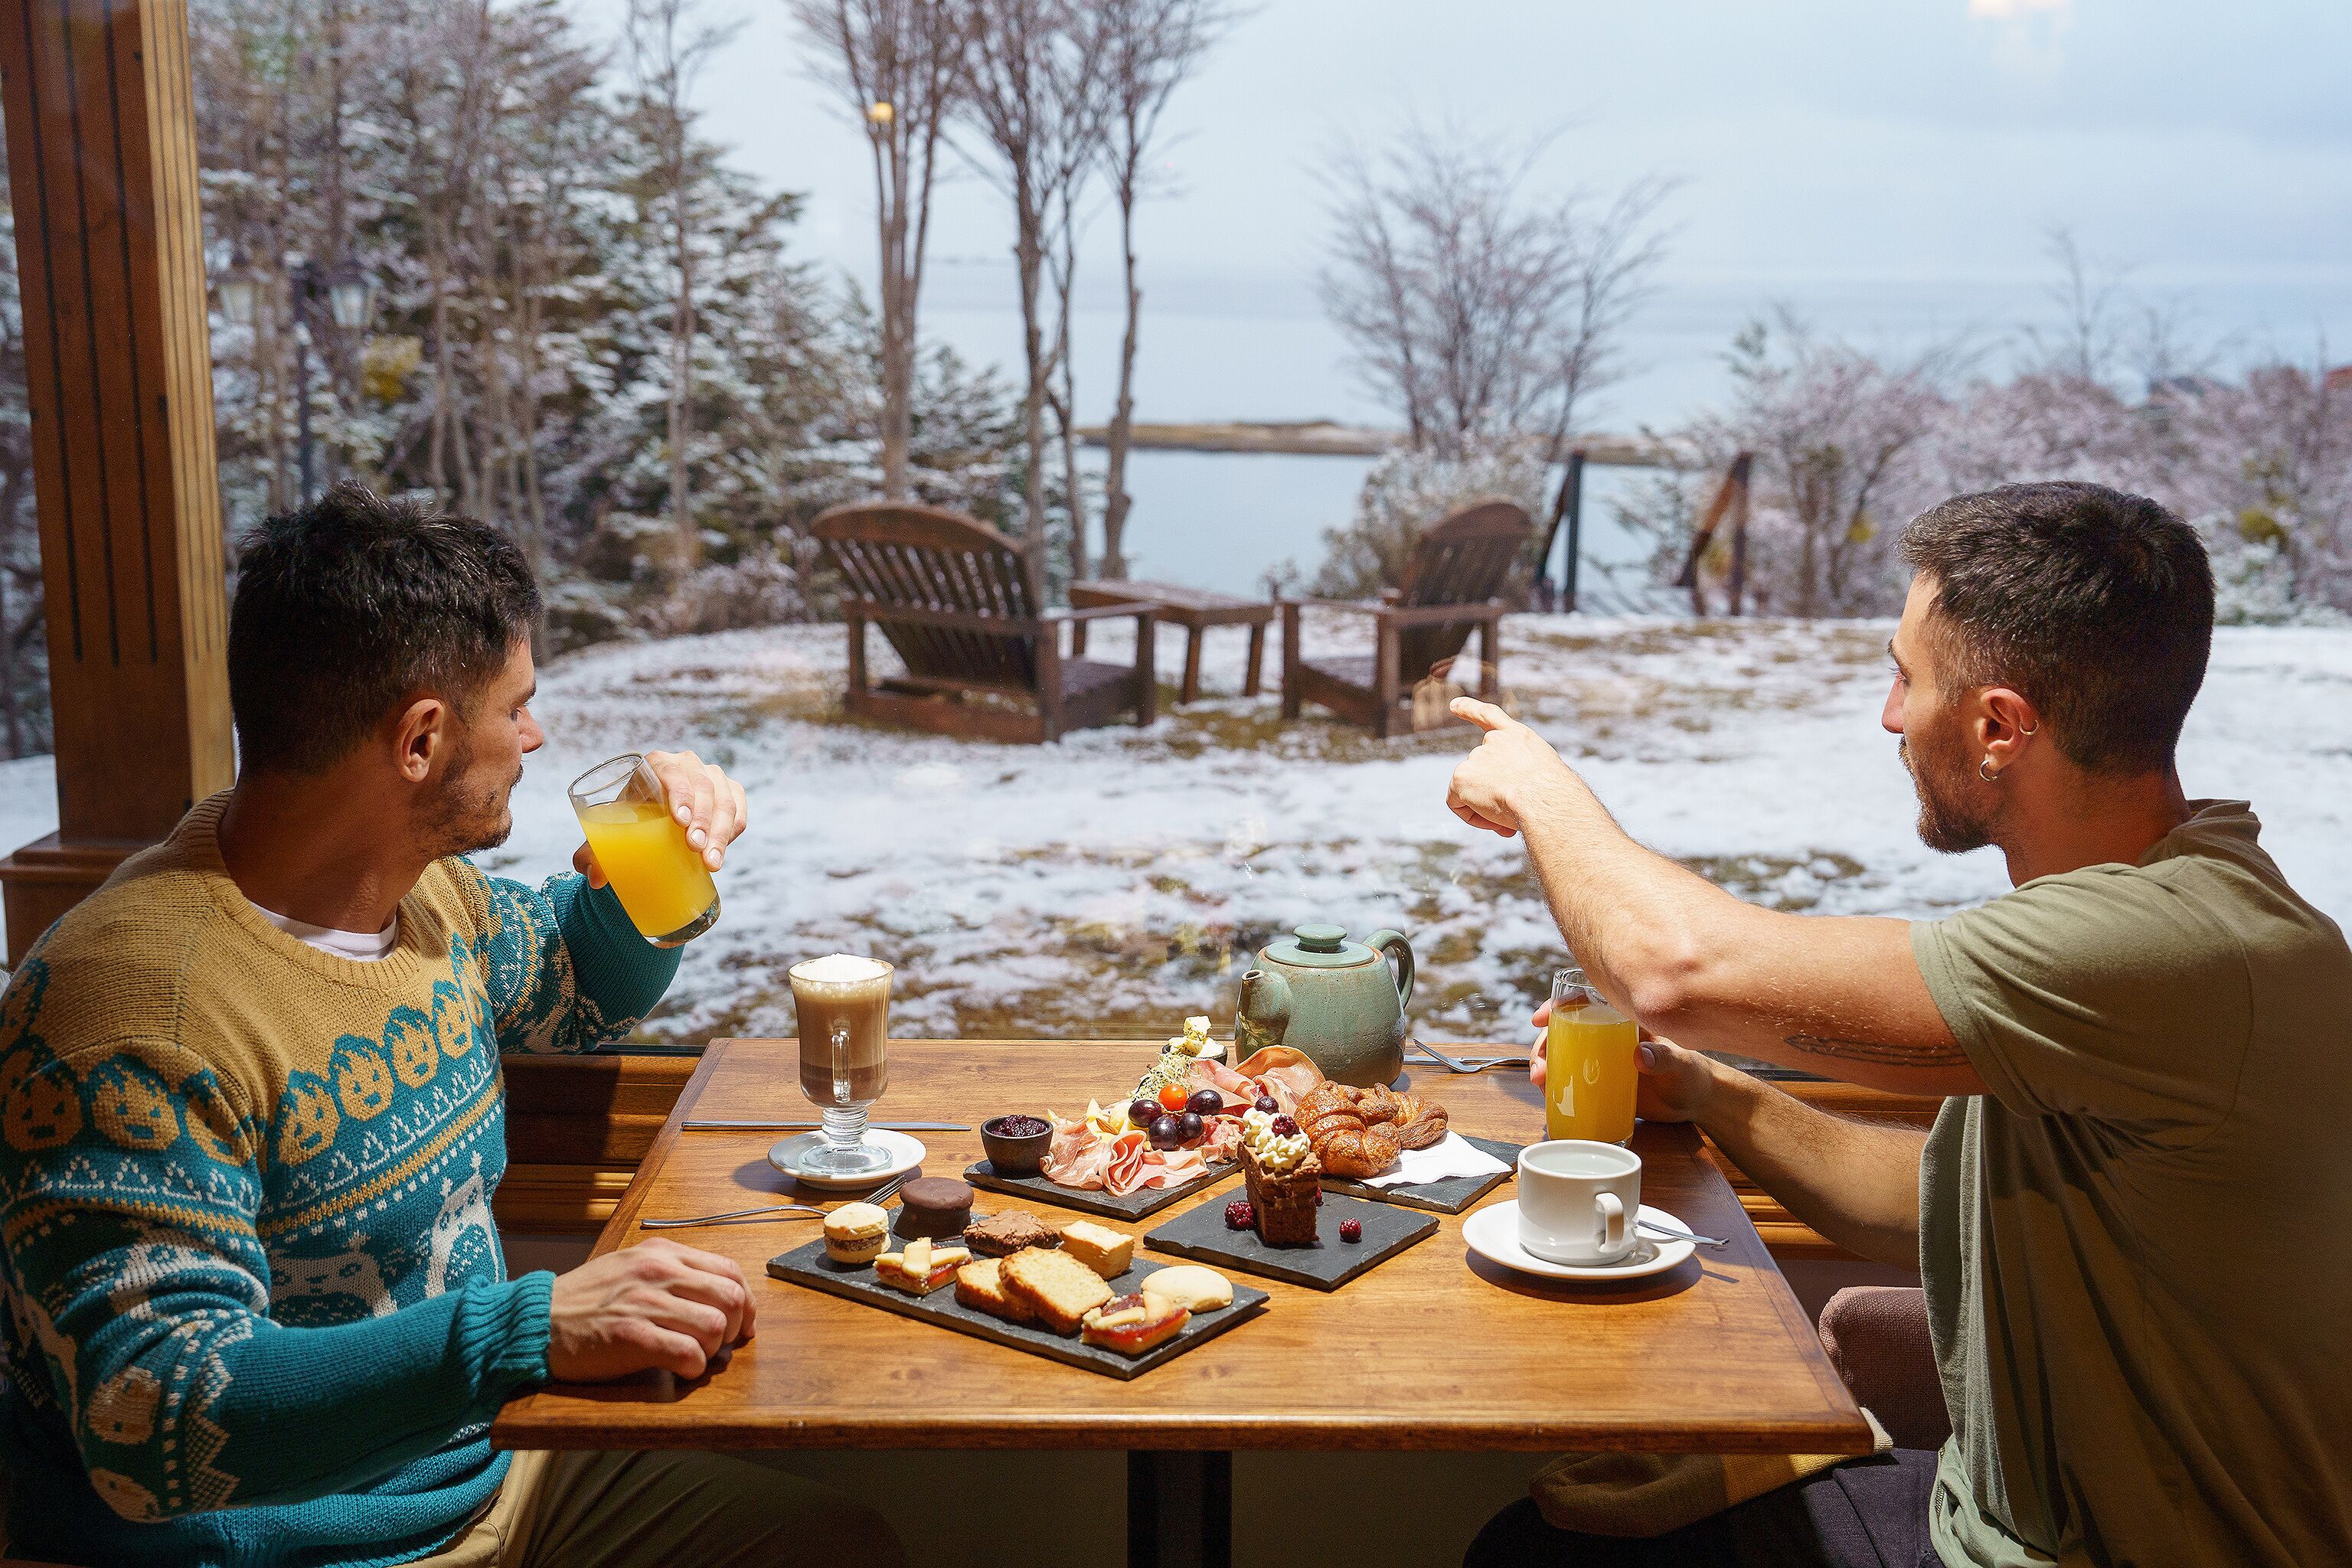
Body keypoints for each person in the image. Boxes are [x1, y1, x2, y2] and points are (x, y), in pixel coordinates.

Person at [1446, 482, 2352, 1567]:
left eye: (1906, 677)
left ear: (1999, 727)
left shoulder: (2170, 951)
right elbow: (1921, 1204)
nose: (1889, 715)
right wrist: (1706, 1092)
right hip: (1979, 1517)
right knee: (1549, 1538)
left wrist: (1538, 788)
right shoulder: (2136, 923)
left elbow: (1673, 969)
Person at [0, 485, 902, 1567]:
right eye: (515, 706)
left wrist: (654, 857)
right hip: (302, 1551)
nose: (535, 735)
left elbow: (578, 981)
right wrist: (524, 1332)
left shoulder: (423, 899)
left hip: (490, 1462)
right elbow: (151, 1415)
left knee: (840, 1544)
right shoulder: (129, 1014)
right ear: (422, 739)